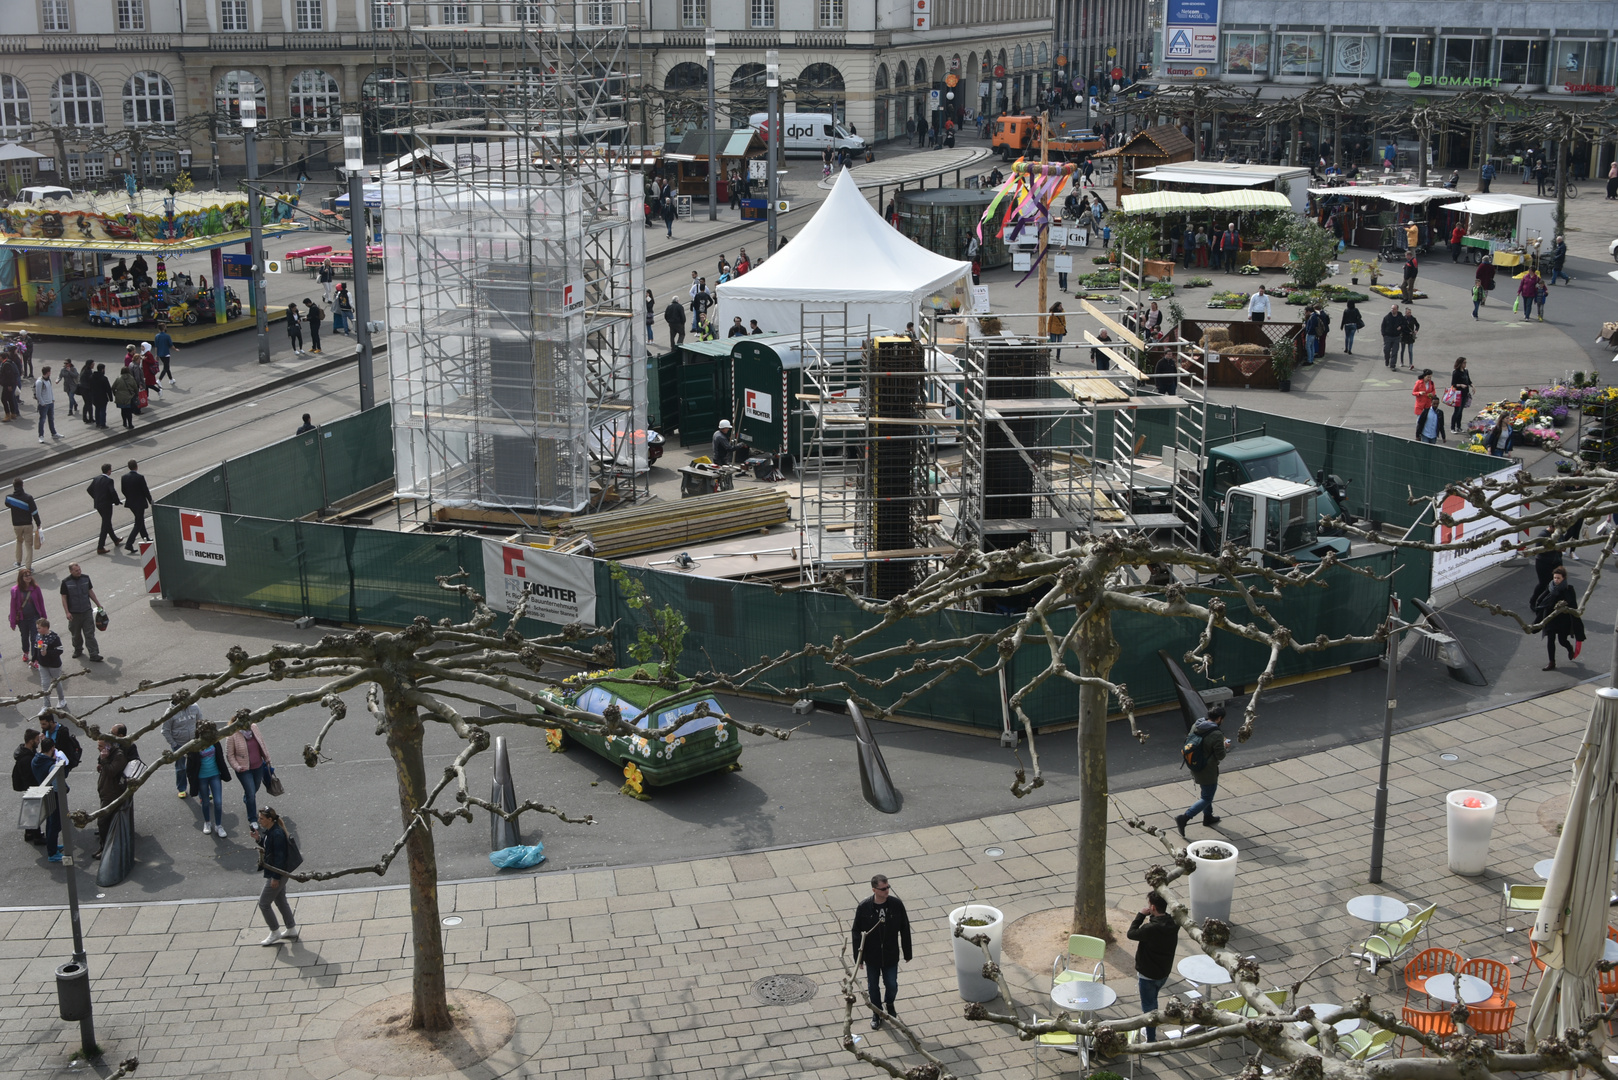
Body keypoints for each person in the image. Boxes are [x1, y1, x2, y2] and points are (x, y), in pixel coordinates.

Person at [850, 874, 912, 1030]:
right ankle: (876, 1012)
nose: (887, 891)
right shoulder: (864, 907)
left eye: (888, 887)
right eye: (883, 889)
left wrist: (907, 952)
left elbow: (905, 928)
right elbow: (856, 932)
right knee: (873, 987)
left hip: (891, 954)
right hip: (872, 955)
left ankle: (889, 1003)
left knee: (892, 985)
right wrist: (859, 958)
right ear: (874, 890)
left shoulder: (896, 905)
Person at [1127, 891, 1179, 1042]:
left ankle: (1151, 1042)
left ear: (1153, 907)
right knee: (1153, 1000)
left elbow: (1131, 933)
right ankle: (1150, 1030)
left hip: (1147, 975)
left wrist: (1141, 915)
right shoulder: (1173, 924)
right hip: (1163, 972)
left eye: (1149, 904)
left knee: (1149, 1009)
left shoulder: (1150, 929)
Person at [1173, 703, 1229, 837]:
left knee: (1206, 793)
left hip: (1194, 764)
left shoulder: (1196, 725)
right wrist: (1225, 745)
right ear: (1219, 718)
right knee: (1207, 797)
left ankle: (1208, 817)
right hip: (1207, 769)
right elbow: (1221, 755)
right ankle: (1185, 817)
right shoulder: (1216, 734)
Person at [255, 806, 300, 945]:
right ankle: (291, 928)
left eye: (261, 818)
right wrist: (258, 839)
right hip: (279, 872)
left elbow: (280, 858)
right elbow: (270, 847)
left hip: (277, 873)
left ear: (269, 819)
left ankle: (275, 932)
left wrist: (275, 878)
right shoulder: (271, 831)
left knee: (263, 903)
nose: (259, 820)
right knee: (280, 899)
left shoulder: (277, 834)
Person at [224, 721, 273, 836]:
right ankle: (252, 819)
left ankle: (248, 799)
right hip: (244, 770)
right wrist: (236, 767)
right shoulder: (232, 734)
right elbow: (229, 755)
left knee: (254, 788)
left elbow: (262, 743)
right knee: (251, 793)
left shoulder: (254, 727)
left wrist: (267, 758)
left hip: (258, 766)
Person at [186, 719, 232, 838]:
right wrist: (191, 779)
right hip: (202, 777)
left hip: (214, 774)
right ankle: (207, 822)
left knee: (218, 802)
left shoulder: (215, 742)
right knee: (205, 802)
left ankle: (219, 825)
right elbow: (190, 765)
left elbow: (220, 757)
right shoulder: (194, 744)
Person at [93, 724, 132, 859]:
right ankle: (105, 846)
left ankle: (105, 848)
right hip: (105, 791)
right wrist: (102, 761)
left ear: (109, 746)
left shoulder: (119, 756)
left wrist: (104, 761)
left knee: (102, 821)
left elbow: (111, 772)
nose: (99, 749)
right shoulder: (108, 753)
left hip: (112, 793)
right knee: (106, 822)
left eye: (101, 746)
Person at [1535, 565, 1579, 671]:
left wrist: (1564, 605)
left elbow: (1574, 605)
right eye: (1555, 577)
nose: (1556, 580)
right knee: (1550, 639)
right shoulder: (1550, 587)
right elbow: (1541, 599)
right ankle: (1551, 662)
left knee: (1562, 640)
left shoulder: (1569, 589)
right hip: (1550, 617)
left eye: (1558, 578)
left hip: (1563, 619)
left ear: (1563, 578)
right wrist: (1538, 605)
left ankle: (1569, 648)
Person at [59, 562, 103, 662]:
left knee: (89, 634)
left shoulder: (86, 578)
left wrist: (98, 604)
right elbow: (64, 598)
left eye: (79, 570)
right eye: (76, 571)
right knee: (76, 634)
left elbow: (90, 592)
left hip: (86, 611)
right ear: (71, 571)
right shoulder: (65, 582)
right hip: (74, 613)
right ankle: (78, 649)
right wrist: (67, 612)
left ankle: (94, 654)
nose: (79, 572)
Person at [32, 735, 64, 861]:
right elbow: (59, 786)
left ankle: (53, 846)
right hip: (52, 796)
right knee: (54, 824)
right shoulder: (50, 765)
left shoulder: (36, 760)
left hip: (44, 792)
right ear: (52, 748)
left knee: (50, 822)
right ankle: (52, 852)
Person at [163, 700, 201, 798]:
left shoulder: (195, 707)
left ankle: (202, 790)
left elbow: (200, 722)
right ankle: (181, 788)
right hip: (179, 744)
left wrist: (199, 738)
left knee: (199, 765)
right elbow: (165, 731)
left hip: (194, 742)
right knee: (181, 768)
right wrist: (174, 744)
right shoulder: (170, 712)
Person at [87, 463, 122, 554]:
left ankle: (115, 539)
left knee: (107, 522)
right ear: (109, 470)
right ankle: (100, 546)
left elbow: (89, 489)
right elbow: (112, 492)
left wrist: (96, 498)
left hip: (98, 505)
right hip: (106, 505)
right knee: (105, 525)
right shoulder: (109, 481)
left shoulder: (96, 479)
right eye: (111, 469)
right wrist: (117, 501)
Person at [11, 567, 45, 659]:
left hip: (35, 617)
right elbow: (13, 607)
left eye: (29, 575)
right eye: (26, 576)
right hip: (22, 619)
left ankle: (36, 657)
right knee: (24, 637)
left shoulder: (35, 588)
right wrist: (13, 622)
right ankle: (25, 652)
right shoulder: (15, 590)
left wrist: (44, 616)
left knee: (36, 638)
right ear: (21, 578)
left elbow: (41, 602)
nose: (28, 577)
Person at [13, 728, 41, 844]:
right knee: (33, 811)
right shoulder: (26, 759)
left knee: (31, 810)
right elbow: (29, 777)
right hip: (31, 788)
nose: (39, 741)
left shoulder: (27, 752)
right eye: (37, 740)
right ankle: (36, 836)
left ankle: (29, 833)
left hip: (29, 787)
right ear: (31, 741)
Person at [8, 477, 41, 570]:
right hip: (27, 524)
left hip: (16, 525)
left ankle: (18, 562)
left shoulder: (9, 498)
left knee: (19, 541)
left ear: (13, 486)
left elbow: (7, 504)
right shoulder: (28, 498)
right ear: (22, 485)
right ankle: (28, 567)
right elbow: (34, 512)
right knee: (28, 545)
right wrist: (38, 523)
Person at [120, 460, 152, 552]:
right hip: (140, 503)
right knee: (138, 523)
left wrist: (129, 498)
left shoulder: (124, 477)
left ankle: (146, 538)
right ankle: (129, 543)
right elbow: (145, 490)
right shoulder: (140, 477)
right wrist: (150, 500)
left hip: (131, 503)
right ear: (136, 466)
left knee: (140, 520)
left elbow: (123, 490)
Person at [33, 365, 59, 443]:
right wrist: (42, 403)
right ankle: (41, 436)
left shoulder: (48, 380)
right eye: (50, 371)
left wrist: (53, 399)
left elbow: (50, 390)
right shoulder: (39, 382)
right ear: (47, 372)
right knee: (42, 420)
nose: (50, 373)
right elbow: (38, 394)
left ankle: (54, 433)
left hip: (50, 403)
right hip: (44, 405)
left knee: (51, 419)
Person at [1447, 358, 1473, 433]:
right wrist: (1460, 385)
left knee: (1461, 411)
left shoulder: (1466, 371)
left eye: (1465, 362)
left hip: (1465, 394)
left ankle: (1458, 426)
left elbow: (1469, 381)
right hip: (1458, 394)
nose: (1465, 364)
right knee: (1457, 411)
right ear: (1460, 363)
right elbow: (1453, 384)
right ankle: (1452, 427)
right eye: (1464, 363)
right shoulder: (1456, 372)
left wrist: (1472, 385)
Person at [1380, 304, 1405, 370]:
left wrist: (1401, 327)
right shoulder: (1387, 317)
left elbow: (1405, 324)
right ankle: (1387, 359)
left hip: (1396, 337)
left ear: (1397, 309)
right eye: (1392, 308)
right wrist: (1384, 335)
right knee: (1386, 350)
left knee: (1395, 351)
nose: (1392, 310)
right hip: (1388, 336)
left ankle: (1393, 365)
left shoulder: (1400, 317)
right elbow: (1383, 326)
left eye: (1394, 309)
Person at [87, 363, 111, 428]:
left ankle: (98, 423)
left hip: (94, 397)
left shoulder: (91, 377)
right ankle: (102, 424)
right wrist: (111, 397)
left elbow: (89, 387)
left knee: (97, 409)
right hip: (103, 397)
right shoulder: (104, 378)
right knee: (103, 411)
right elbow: (108, 389)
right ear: (102, 370)